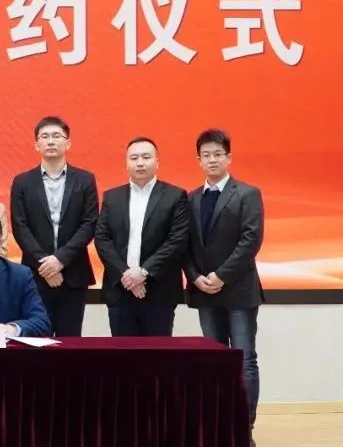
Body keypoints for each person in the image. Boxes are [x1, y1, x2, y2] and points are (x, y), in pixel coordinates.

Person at [185, 128, 264, 437]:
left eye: (218, 154)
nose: (212, 160)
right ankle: (219, 424)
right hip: (205, 292)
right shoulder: (191, 198)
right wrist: (195, 277)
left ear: (229, 158)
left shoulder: (247, 193)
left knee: (244, 359)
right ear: (199, 160)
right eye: (206, 155)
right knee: (215, 361)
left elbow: (250, 240)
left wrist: (221, 276)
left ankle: (244, 426)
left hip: (239, 290)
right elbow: (185, 245)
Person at [10, 116, 99, 336]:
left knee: (71, 341)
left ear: (68, 143)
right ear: (36, 145)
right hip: (36, 274)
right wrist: (45, 264)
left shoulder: (85, 179)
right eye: (45, 137)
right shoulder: (22, 182)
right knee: (35, 339)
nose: (50, 141)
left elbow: (89, 223)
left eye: (56, 136)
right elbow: (20, 226)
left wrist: (60, 260)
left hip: (73, 273)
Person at [94, 137, 190, 336]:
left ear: (157, 162)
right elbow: (102, 239)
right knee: (122, 352)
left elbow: (176, 240)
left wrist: (143, 272)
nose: (140, 163)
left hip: (159, 291)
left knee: (157, 353)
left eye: (146, 157)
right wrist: (126, 275)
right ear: (126, 163)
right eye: (134, 158)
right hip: (120, 290)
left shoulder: (175, 196)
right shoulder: (112, 197)